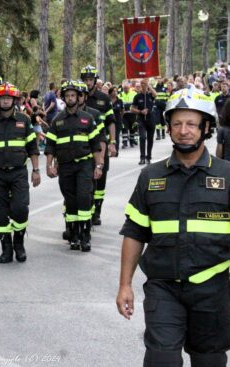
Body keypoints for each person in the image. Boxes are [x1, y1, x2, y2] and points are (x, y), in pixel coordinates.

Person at [116, 87, 230, 367]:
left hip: (214, 291)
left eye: (192, 123)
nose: (184, 130)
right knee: (161, 360)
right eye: (177, 123)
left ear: (206, 128)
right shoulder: (150, 176)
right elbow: (134, 232)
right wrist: (124, 285)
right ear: (167, 128)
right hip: (163, 289)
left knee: (209, 362)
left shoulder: (227, 175)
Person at [0, 82, 40, 263]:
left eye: (8, 98)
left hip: (18, 172)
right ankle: (6, 248)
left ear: (14, 100)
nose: (5, 101)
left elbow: (32, 148)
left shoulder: (24, 120)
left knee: (20, 208)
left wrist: (36, 170)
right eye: (2, 98)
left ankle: (19, 244)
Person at [45, 80, 103, 251]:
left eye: (73, 95)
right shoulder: (57, 120)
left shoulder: (88, 119)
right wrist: (49, 166)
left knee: (84, 197)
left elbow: (96, 145)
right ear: (63, 98)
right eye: (67, 96)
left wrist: (98, 166)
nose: (70, 98)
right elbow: (50, 146)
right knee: (70, 201)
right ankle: (74, 234)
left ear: (79, 98)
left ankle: (85, 235)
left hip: (84, 164)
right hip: (65, 166)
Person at [81, 64, 117, 226]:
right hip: (83, 146)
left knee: (100, 180)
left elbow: (111, 122)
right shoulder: (78, 97)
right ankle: (86, 209)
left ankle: (97, 211)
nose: (88, 83)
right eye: (85, 80)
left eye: (90, 80)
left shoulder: (104, 99)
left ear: (95, 81)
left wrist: (113, 143)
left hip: (101, 145)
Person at [131, 78, 157, 165]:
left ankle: (148, 157)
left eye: (144, 84)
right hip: (141, 119)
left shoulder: (150, 95)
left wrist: (148, 85)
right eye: (142, 84)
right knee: (142, 137)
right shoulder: (137, 96)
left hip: (151, 118)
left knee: (150, 139)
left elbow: (155, 94)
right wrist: (140, 111)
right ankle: (142, 157)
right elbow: (132, 109)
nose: (143, 86)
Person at [119, 82, 138, 148]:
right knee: (124, 128)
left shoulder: (134, 94)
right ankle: (124, 143)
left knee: (132, 128)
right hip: (124, 115)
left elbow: (136, 104)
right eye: (124, 88)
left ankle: (132, 142)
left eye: (126, 88)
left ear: (129, 87)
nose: (125, 89)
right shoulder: (120, 94)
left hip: (132, 114)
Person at [109, 86, 123, 156]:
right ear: (110, 92)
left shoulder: (119, 101)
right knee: (109, 136)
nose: (115, 93)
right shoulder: (108, 100)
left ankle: (116, 151)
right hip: (109, 121)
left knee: (116, 136)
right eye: (113, 91)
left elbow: (122, 111)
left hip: (117, 121)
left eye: (116, 91)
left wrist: (121, 117)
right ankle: (109, 150)